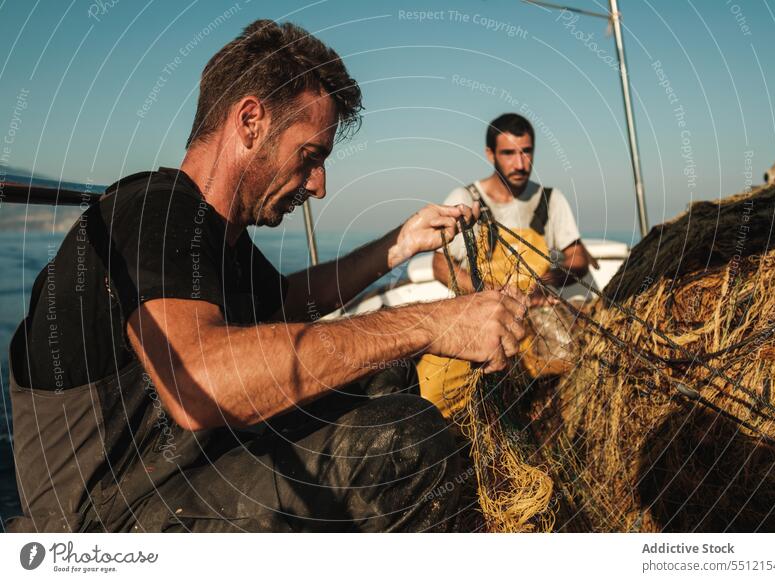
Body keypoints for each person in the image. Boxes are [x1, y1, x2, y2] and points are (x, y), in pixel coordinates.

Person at [6, 21, 533, 533]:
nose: (319, 185)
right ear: (251, 121)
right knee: (402, 448)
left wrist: (400, 243)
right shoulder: (156, 214)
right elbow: (199, 385)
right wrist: (431, 324)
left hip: (189, 471)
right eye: (310, 157)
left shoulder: (216, 237)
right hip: (107, 517)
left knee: (382, 377)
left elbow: (293, 302)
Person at [419, 113, 591, 417]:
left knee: (581, 369)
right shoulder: (465, 200)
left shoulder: (550, 200)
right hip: (479, 315)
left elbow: (578, 257)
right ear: (490, 154)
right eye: (509, 153)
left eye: (527, 152)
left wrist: (546, 281)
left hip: (537, 315)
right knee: (430, 394)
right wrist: (488, 295)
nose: (521, 163)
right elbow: (440, 265)